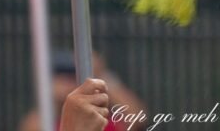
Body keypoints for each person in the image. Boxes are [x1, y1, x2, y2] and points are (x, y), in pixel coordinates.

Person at [19, 51, 148, 131]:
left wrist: (102, 77)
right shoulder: (42, 121)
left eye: (71, 78)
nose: (67, 85)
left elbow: (138, 119)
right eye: (61, 78)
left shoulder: (103, 117)